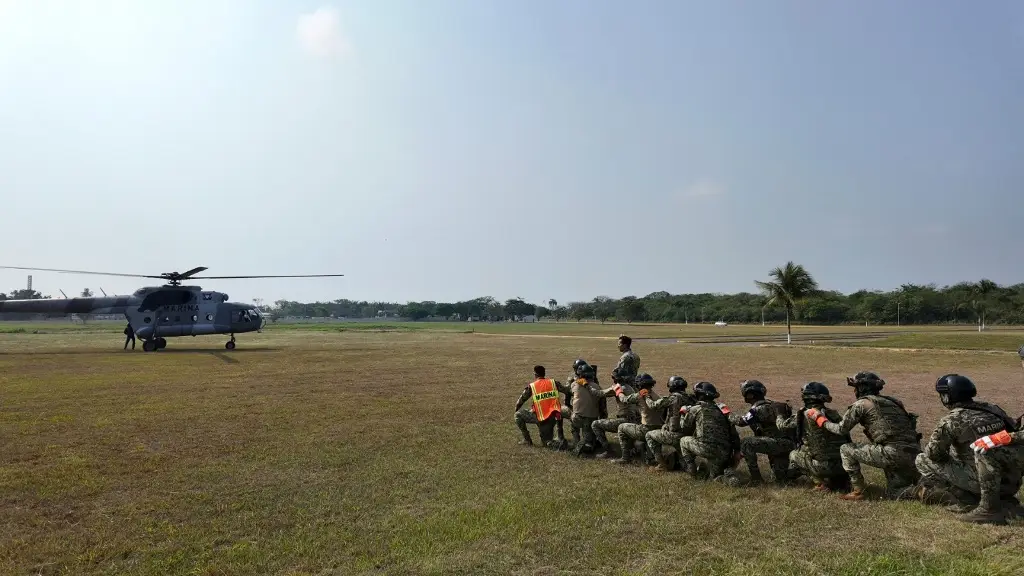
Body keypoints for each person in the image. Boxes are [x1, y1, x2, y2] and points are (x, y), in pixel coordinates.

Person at [915, 374, 1024, 525]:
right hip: (1011, 482)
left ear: (946, 397)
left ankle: (966, 499)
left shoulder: (951, 420)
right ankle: (1000, 500)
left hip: (982, 482)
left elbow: (934, 454)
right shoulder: (993, 409)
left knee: (922, 459)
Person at [818, 371, 923, 500]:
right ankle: (922, 492)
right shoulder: (894, 402)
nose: (855, 391)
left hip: (892, 453)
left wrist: (821, 420)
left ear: (862, 388)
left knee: (846, 449)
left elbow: (841, 429)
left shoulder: (861, 404)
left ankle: (858, 491)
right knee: (895, 493)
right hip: (914, 454)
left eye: (856, 387)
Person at [777, 382, 852, 492]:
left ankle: (820, 483)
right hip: (843, 465)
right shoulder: (834, 414)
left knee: (794, 455)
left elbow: (782, 426)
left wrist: (779, 414)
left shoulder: (805, 414)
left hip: (824, 466)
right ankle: (842, 481)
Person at [730, 380, 797, 485]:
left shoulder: (759, 408)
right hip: (784, 444)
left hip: (780, 443)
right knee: (781, 479)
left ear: (750, 394)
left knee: (746, 443)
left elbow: (741, 422)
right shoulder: (769, 404)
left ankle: (756, 479)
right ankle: (803, 470)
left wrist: (727, 414)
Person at [676, 381, 742, 482]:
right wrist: (737, 450)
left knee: (683, 441)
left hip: (707, 448)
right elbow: (733, 432)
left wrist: (682, 413)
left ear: (700, 395)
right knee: (714, 477)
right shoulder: (722, 409)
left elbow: (684, 428)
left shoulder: (696, 409)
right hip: (724, 452)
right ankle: (729, 479)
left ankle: (691, 470)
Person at [613, 373, 671, 466]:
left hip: (646, 429)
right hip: (658, 428)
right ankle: (649, 456)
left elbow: (624, 400)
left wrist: (618, 391)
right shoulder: (656, 395)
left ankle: (625, 457)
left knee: (621, 427)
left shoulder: (639, 395)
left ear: (639, 385)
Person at [645, 376, 696, 471]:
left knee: (649, 435)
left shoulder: (673, 398)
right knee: (686, 466)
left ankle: (661, 465)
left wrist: (647, 396)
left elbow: (653, 405)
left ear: (672, 387)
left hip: (675, 435)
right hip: (688, 435)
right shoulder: (691, 398)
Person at [513, 365, 568, 449]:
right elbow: (566, 390)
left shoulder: (532, 386)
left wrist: (516, 408)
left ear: (535, 375)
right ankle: (560, 437)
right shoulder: (553, 383)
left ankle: (527, 440)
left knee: (518, 415)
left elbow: (520, 401)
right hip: (554, 417)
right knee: (558, 411)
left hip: (541, 417)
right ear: (544, 374)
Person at [592, 371, 640, 459]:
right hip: (634, 420)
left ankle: (608, 451)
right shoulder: (630, 387)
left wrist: (587, 385)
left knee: (595, 424)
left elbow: (599, 393)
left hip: (624, 421)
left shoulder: (618, 388)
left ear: (615, 379)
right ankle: (632, 449)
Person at [568, 362, 605, 456]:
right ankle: (587, 444)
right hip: (590, 420)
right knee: (589, 441)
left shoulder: (574, 384)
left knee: (573, 423)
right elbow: (602, 408)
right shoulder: (598, 387)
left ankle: (576, 441)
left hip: (577, 418)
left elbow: (571, 392)